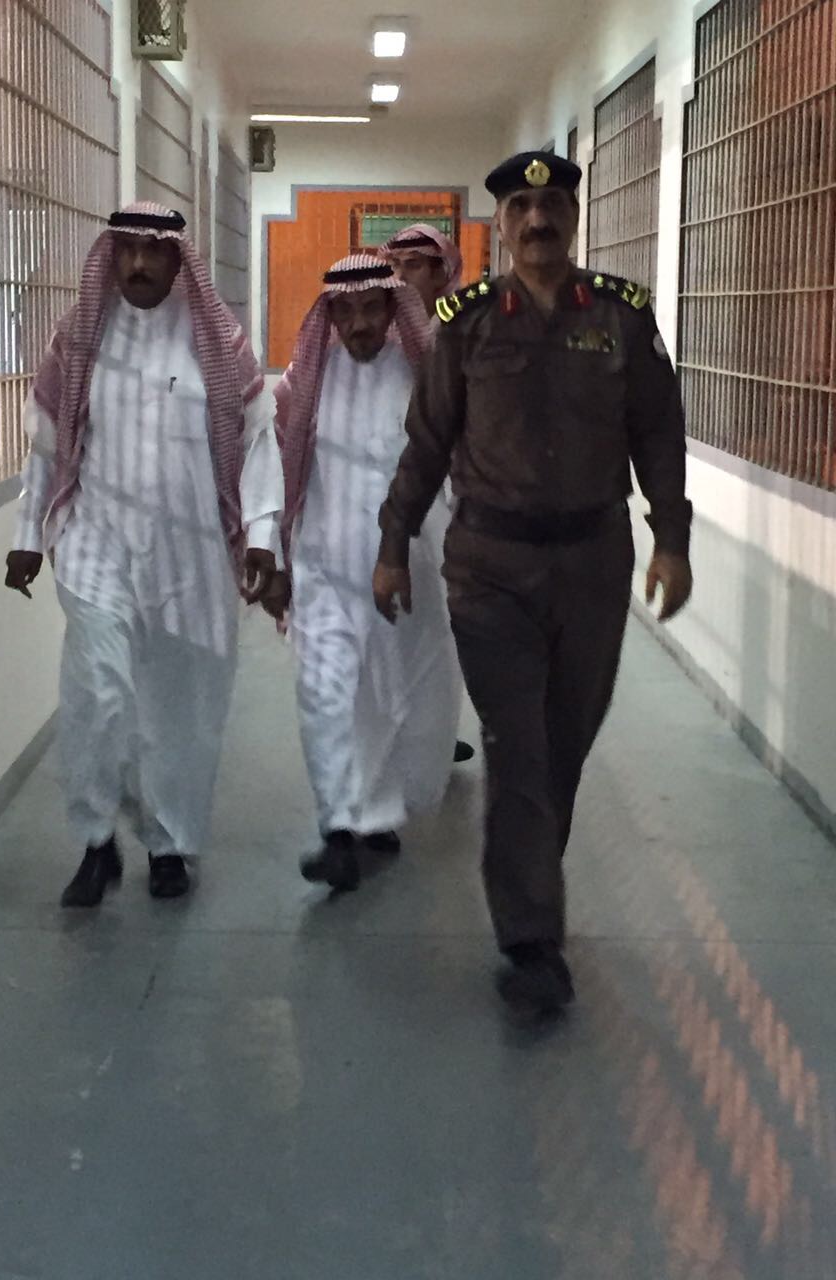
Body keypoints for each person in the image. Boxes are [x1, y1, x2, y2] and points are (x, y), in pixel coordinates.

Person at [373, 152, 693, 1010]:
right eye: (521, 206)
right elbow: (427, 440)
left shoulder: (621, 316)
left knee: (563, 744)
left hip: (593, 563)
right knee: (517, 747)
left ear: (574, 217)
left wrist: (671, 539)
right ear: (502, 225)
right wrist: (394, 540)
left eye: (552, 205)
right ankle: (530, 941)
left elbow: (659, 433)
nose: (538, 219)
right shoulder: (468, 321)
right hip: (492, 567)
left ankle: (531, 888)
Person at [5, 202, 287, 908]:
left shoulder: (216, 343)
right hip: (95, 544)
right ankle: (96, 840)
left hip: (189, 556)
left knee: (178, 709)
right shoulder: (79, 338)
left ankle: (168, 844)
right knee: (99, 693)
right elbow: (47, 447)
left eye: (152, 251)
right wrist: (27, 535)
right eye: (126, 249)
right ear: (111, 255)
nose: (137, 263)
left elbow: (258, 443)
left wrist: (261, 537)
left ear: (175, 259)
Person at [275, 254, 460, 893]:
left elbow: (458, 468)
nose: (358, 324)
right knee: (324, 694)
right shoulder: (308, 380)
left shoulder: (421, 377)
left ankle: (376, 814)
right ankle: (336, 830)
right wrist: (273, 554)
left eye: (371, 309)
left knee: (390, 697)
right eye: (345, 311)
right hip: (324, 566)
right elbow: (280, 465)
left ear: (390, 310)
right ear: (329, 314)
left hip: (408, 570)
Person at [379, 223, 475, 766]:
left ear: (443, 272)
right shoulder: (382, 335)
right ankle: (398, 733)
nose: (400, 276)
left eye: (413, 265)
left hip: (453, 503)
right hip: (394, 502)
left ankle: (434, 732)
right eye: (394, 264)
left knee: (440, 628)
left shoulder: (466, 331)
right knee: (392, 626)